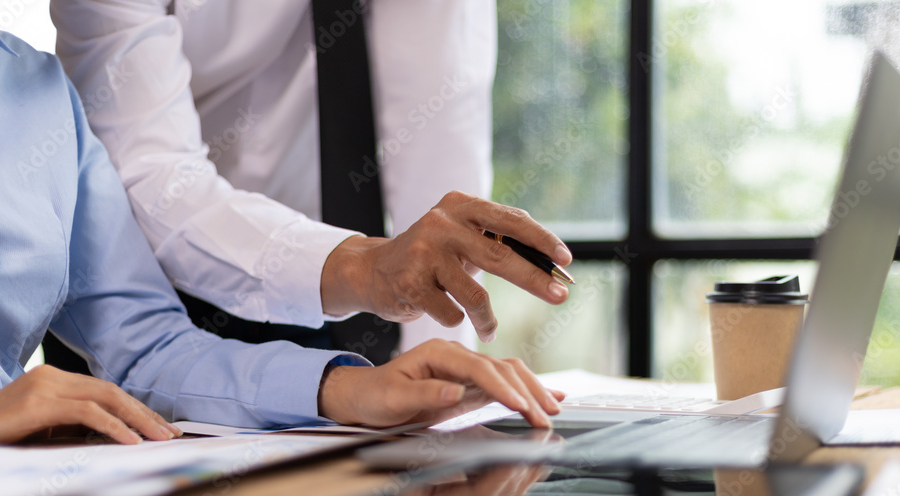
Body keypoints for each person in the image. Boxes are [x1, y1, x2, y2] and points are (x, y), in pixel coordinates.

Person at [0, 0, 562, 444]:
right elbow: (157, 176)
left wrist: (361, 389)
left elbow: (146, 346)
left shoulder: (35, 94)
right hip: (198, 263)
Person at [49, 0, 571, 362]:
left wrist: (444, 363)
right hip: (150, 309)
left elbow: (440, 117)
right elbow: (150, 175)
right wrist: (364, 268)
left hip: (343, 303)